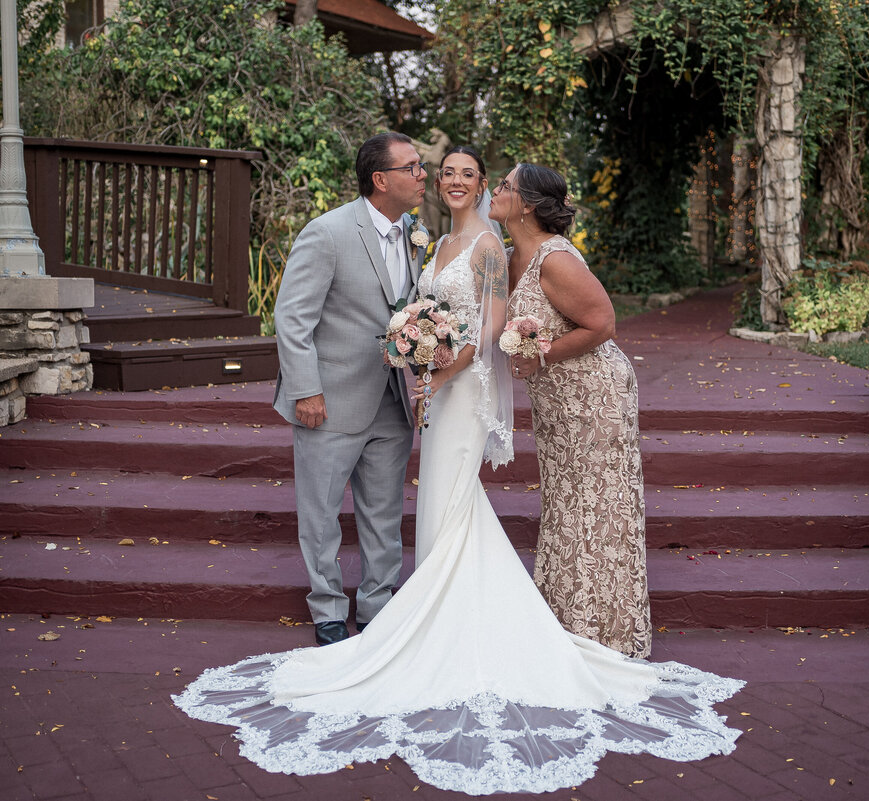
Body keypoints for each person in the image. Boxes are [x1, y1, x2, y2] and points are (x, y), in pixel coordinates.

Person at [175, 148, 743, 795]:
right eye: (443, 171)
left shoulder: (492, 249)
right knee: (445, 505)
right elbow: (426, 315)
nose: (452, 180)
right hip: (435, 391)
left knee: (448, 499)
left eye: (470, 174)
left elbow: (489, 326)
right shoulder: (436, 240)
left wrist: (439, 370)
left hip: (464, 392)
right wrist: (417, 350)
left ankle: (447, 627)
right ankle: (430, 614)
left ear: (482, 187)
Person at [271, 131, 428, 646]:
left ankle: (378, 602)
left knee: (383, 512)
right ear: (382, 180)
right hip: (329, 398)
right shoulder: (328, 232)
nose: (423, 175)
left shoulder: (415, 234)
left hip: (391, 398)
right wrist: (305, 389)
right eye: (413, 167)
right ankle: (328, 609)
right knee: (320, 512)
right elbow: (293, 318)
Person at [496, 162, 652, 659]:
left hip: (594, 394)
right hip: (556, 399)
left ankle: (605, 634)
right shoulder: (505, 256)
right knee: (566, 503)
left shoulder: (555, 260)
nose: (495, 191)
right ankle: (565, 619)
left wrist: (537, 356)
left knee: (597, 505)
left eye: (504, 186)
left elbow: (603, 323)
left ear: (527, 204)